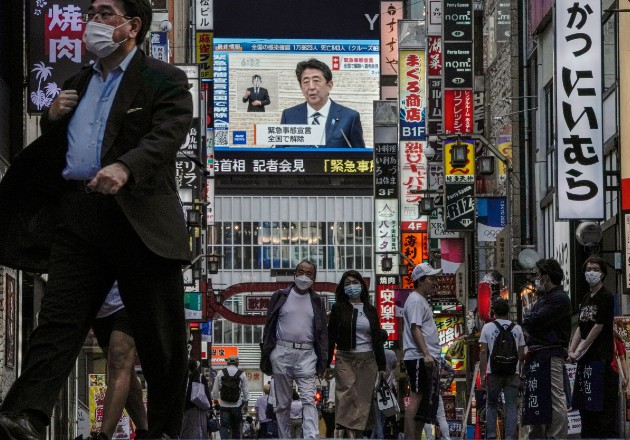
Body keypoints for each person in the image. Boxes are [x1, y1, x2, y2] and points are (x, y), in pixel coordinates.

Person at [0, 1, 192, 438]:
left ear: (133, 26)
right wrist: (52, 119)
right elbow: (70, 145)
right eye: (91, 12)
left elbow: (168, 133)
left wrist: (127, 166)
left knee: (161, 337)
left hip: (139, 217)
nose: (93, 22)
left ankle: (163, 430)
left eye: (105, 13)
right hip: (80, 212)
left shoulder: (164, 79)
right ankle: (25, 414)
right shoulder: (79, 82)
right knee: (59, 318)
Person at [260, 260, 328, 439]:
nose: (304, 276)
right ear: (295, 273)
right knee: (282, 404)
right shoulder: (280, 296)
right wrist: (268, 354)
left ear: (314, 277)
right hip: (282, 352)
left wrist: (322, 361)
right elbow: (269, 327)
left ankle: (311, 436)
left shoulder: (317, 301)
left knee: (308, 400)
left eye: (309, 273)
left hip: (307, 354)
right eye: (301, 271)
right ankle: (284, 436)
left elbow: (322, 334)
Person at [327, 270, 385, 438]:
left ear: (361, 285)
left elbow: (376, 339)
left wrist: (382, 366)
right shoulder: (338, 308)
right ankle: (348, 432)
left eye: (354, 282)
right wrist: (326, 363)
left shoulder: (371, 310)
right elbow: (331, 337)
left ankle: (355, 435)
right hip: (345, 357)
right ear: (342, 288)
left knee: (363, 400)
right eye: (347, 283)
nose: (351, 286)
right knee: (347, 393)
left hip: (368, 359)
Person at [521, 258, 571, 439]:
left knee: (554, 398)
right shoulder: (545, 299)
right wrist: (531, 321)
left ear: (546, 277)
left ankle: (557, 436)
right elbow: (529, 321)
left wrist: (531, 321)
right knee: (537, 396)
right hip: (538, 354)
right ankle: (537, 435)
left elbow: (533, 321)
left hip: (550, 353)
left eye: (538, 275)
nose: (536, 279)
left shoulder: (559, 298)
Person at [567, 256, 617, 438]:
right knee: (584, 402)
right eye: (588, 269)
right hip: (585, 361)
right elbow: (581, 326)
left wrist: (579, 350)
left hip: (600, 358)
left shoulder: (606, 296)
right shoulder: (586, 298)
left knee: (599, 402)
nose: (591, 272)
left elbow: (598, 326)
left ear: (602, 273)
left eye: (595, 269)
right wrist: (572, 350)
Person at [91, 283, 147, 440]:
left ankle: (104, 435)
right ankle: (144, 430)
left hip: (129, 300)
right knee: (124, 369)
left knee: (118, 360)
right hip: (99, 308)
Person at [280, 58, 365, 148]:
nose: (311, 87)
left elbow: (360, 157)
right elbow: (279, 155)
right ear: (301, 87)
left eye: (316, 81)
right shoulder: (289, 116)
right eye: (306, 82)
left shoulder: (349, 117)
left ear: (329, 85)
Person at [402, 263, 443, 440]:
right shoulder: (416, 300)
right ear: (420, 281)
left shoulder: (420, 300)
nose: (434, 282)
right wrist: (426, 353)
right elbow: (415, 328)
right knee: (416, 398)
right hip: (419, 356)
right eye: (431, 278)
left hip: (424, 357)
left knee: (422, 403)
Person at [479, 297, 525, 440]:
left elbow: (482, 352)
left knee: (491, 404)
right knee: (511, 406)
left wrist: (482, 374)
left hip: (493, 373)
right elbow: (521, 354)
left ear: (494, 312)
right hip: (513, 373)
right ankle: (510, 437)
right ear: (508, 311)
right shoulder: (517, 328)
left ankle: (492, 436)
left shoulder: (487, 328)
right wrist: (519, 371)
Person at [212, 356, 250, 440]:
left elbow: (215, 390)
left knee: (224, 427)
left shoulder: (221, 373)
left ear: (227, 363)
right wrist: (246, 404)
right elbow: (246, 391)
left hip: (224, 406)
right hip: (236, 406)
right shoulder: (241, 374)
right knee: (236, 428)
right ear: (237, 363)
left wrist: (215, 401)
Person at [371, 329, 398, 440]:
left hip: (375, 390)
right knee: (383, 418)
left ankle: (379, 437)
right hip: (388, 390)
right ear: (386, 339)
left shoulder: (372, 354)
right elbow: (394, 366)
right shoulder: (391, 354)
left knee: (378, 419)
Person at [181, 360, 212, 439]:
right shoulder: (201, 377)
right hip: (200, 408)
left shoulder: (184, 378)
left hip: (186, 408)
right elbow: (207, 392)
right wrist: (210, 407)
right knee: (199, 431)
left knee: (187, 431)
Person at [321, 371, 336, 439]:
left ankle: (329, 437)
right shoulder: (334, 382)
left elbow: (321, 396)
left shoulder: (325, 382)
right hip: (330, 409)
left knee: (330, 427)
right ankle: (330, 437)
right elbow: (321, 396)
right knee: (331, 427)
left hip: (327, 409)